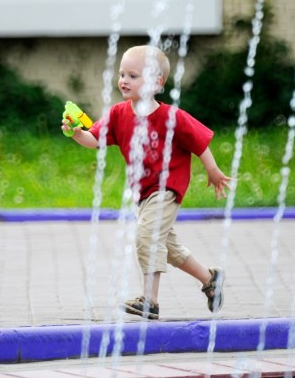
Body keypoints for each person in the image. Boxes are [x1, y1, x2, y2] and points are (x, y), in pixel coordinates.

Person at [62, 45, 231, 320]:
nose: (124, 81)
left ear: (156, 82)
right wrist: (76, 133)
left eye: (133, 76)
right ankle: (210, 279)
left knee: (147, 237)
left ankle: (150, 301)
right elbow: (95, 140)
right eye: (122, 74)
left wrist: (212, 171)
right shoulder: (118, 114)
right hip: (143, 193)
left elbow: (199, 142)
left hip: (167, 188)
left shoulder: (171, 117)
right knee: (168, 248)